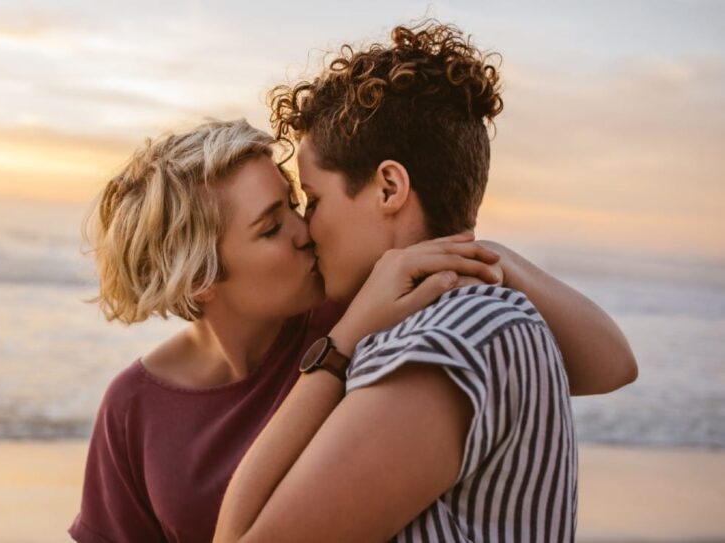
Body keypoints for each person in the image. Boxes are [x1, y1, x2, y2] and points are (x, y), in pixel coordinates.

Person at [70, 123, 634, 542]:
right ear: (199, 280)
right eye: (271, 227)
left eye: (297, 204)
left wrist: (475, 253)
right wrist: (341, 346)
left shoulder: (368, 308)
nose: (305, 230)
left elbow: (611, 365)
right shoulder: (133, 408)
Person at [212, 21, 629, 542]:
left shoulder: (448, 337)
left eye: (314, 200)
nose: (307, 227)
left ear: (389, 187)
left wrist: (337, 348)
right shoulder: (452, 318)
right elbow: (616, 362)